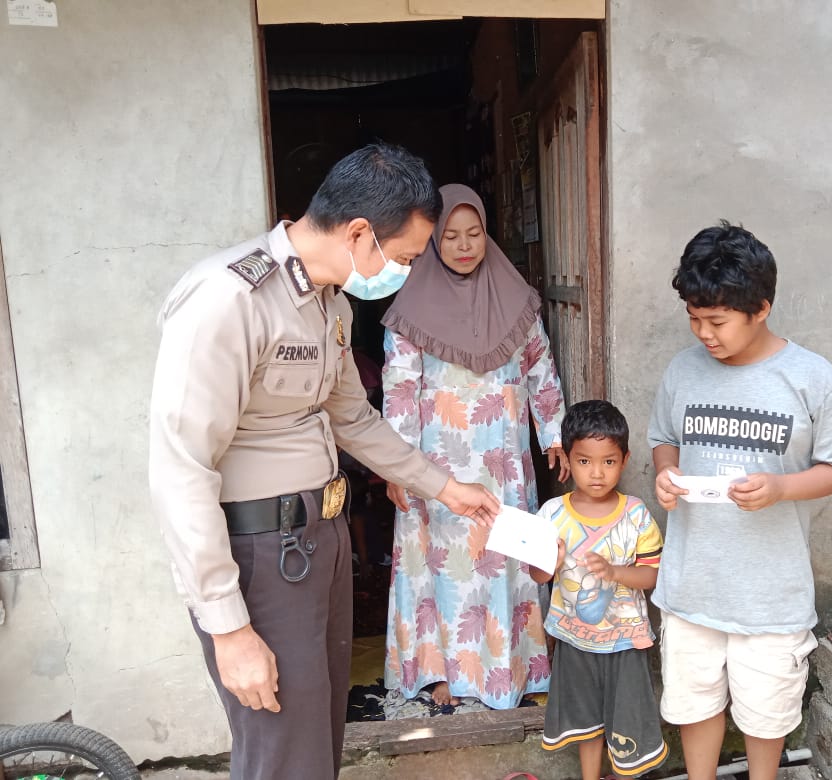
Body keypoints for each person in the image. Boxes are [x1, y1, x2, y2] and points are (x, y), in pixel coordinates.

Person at [148, 143, 500, 780]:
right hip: (259, 556)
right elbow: (181, 467)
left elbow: (352, 419)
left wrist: (444, 488)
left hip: (320, 542)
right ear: (361, 234)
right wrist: (227, 626)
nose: (406, 271)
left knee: (315, 745)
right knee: (283, 753)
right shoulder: (228, 300)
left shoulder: (328, 302)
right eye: (405, 257)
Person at [649, 220, 832, 780]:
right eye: (694, 318)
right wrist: (666, 475)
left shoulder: (811, 378)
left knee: (766, 715)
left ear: (761, 308)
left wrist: (781, 489)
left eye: (717, 321)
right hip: (692, 581)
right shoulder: (682, 371)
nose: (704, 334)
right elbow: (663, 440)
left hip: (770, 593)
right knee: (694, 705)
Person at [380, 183, 568, 710]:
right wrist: (397, 467)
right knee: (442, 568)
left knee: (506, 557)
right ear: (434, 240)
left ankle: (518, 671)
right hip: (434, 466)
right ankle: (445, 674)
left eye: (475, 233)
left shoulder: (518, 303)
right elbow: (398, 391)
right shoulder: (408, 310)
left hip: (504, 460)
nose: (464, 245)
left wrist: (552, 432)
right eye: (451, 236)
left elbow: (540, 370)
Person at [531, 400, 668, 780]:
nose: (596, 473)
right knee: (585, 723)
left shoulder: (636, 514)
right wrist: (551, 562)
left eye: (608, 461)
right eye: (585, 461)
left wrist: (614, 572)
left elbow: (652, 576)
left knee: (626, 724)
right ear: (568, 460)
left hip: (624, 641)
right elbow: (538, 577)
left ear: (624, 460)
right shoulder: (552, 514)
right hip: (574, 640)